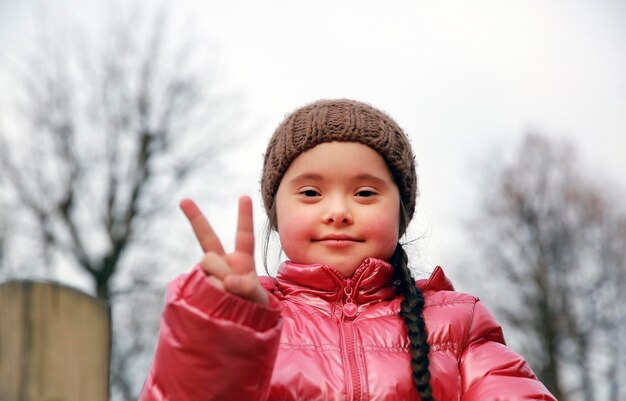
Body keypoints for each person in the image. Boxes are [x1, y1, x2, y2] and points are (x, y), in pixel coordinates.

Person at [138, 99, 556, 401]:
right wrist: (219, 325)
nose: (337, 211)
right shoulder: (251, 319)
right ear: (276, 215)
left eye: (365, 192)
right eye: (310, 192)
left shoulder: (457, 324)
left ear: (401, 212)